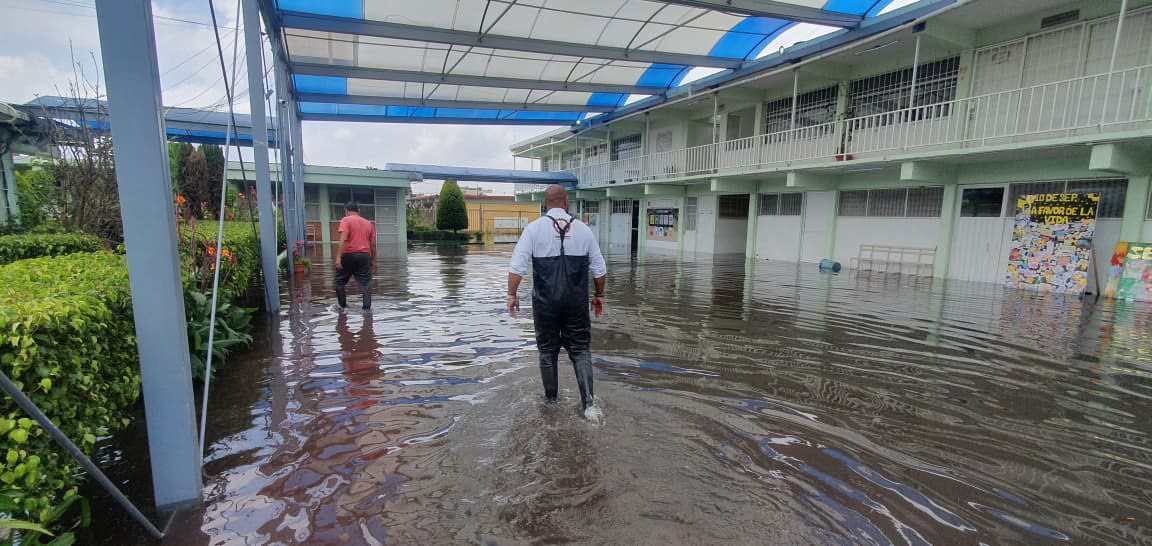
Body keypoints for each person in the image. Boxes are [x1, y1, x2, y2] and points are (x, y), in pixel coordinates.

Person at [507, 184, 607, 419]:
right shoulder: (584, 230)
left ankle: (551, 404)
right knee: (581, 350)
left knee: (547, 351)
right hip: (575, 303)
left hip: (545, 304)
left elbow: (516, 268)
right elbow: (599, 269)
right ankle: (589, 405)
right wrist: (599, 295)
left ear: (546, 203)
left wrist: (512, 295)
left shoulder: (533, 230)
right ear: (566, 203)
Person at [334, 201, 376, 311]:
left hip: (348, 255)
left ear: (346, 211)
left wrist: (338, 257)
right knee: (366, 285)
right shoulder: (368, 223)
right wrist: (372, 259)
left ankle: (342, 308)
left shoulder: (346, 220)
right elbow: (373, 244)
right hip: (364, 256)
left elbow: (343, 240)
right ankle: (367, 311)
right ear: (359, 211)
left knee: (339, 282)